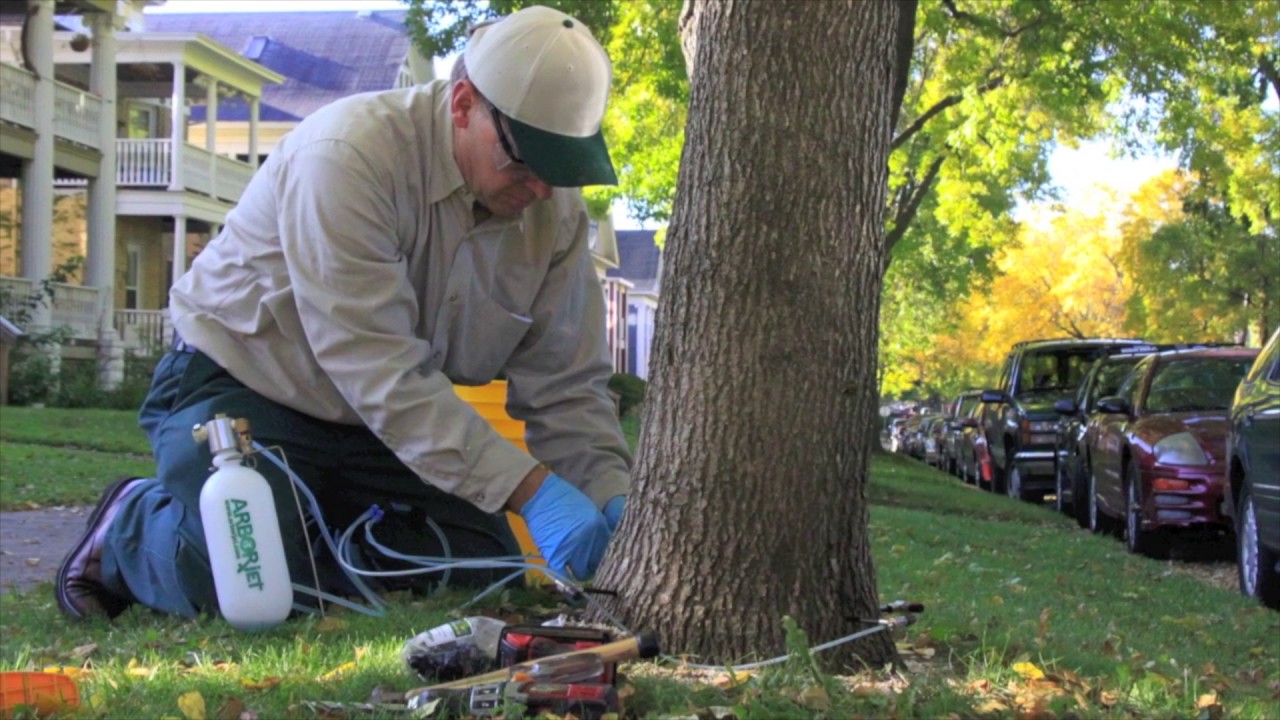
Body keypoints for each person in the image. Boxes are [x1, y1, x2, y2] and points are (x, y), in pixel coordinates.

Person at [56, 5, 631, 623]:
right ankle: (130, 525)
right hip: (237, 385)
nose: (542, 188)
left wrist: (615, 500)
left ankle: (306, 535)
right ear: (464, 104)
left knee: (479, 567)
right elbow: (378, 366)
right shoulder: (349, 155)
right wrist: (533, 491)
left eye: (561, 165)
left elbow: (567, 387)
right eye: (525, 160)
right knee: (253, 584)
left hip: (373, 425)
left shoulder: (556, 212)